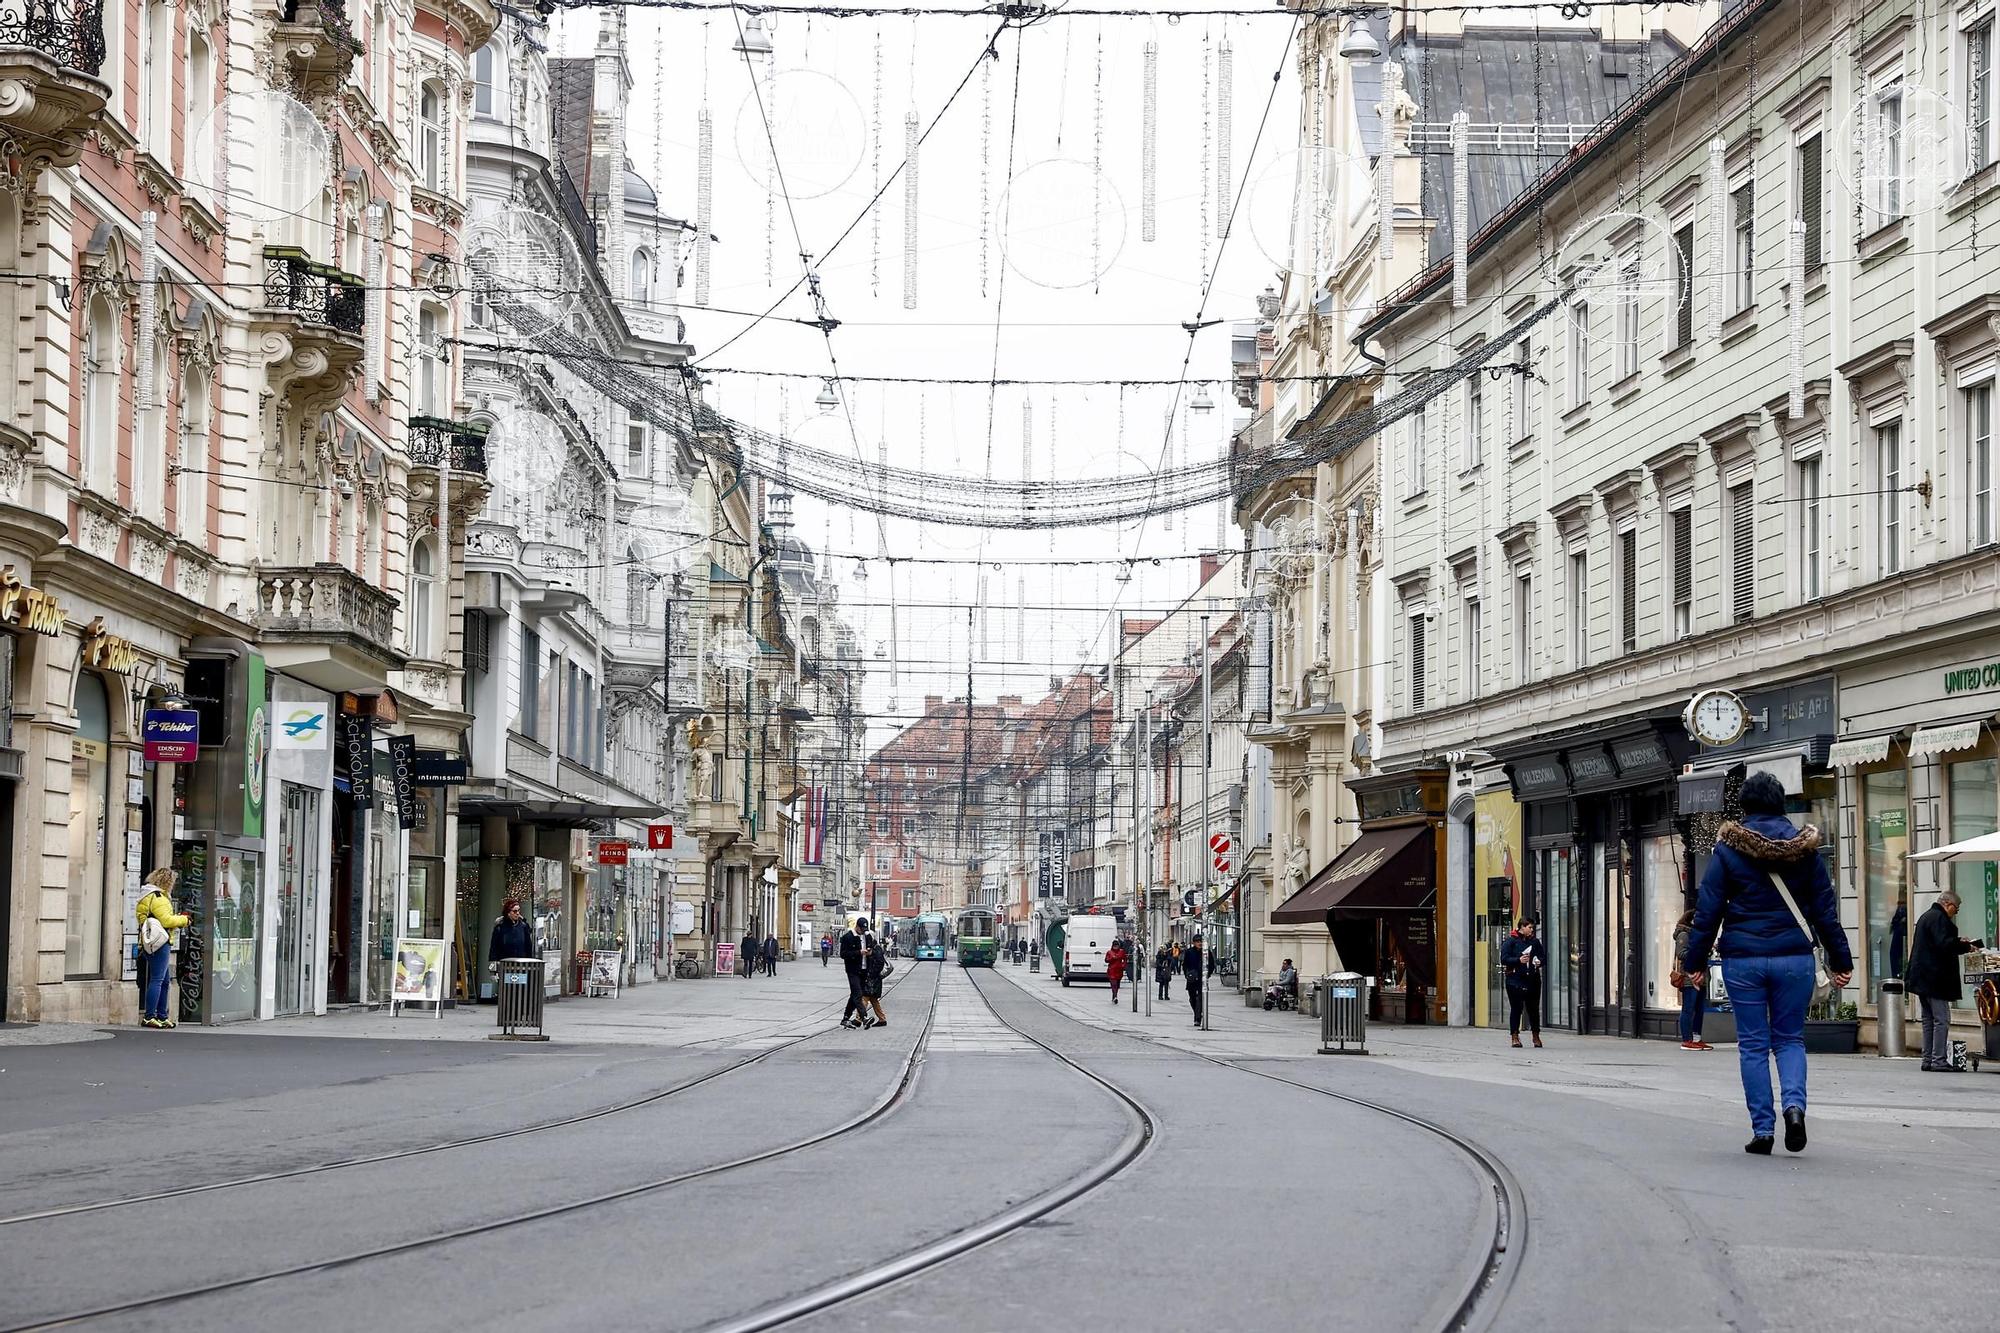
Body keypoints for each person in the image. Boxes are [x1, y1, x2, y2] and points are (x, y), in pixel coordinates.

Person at [1682, 771, 1853, 1155]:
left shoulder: (1727, 851)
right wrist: (1842, 960)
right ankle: (1794, 1108)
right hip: (1794, 958)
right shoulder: (1805, 850)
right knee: (1790, 1040)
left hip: (1744, 959)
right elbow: (1825, 912)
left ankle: (1763, 1131)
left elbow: (1708, 912)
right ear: (1780, 802)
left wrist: (1694, 961)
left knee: (1754, 1045)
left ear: (1744, 806)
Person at [1907, 887, 1983, 1072]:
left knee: (1928, 1019)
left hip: (1922, 978)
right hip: (1935, 978)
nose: (1956, 913)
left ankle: (1928, 1059)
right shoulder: (1940, 919)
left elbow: (1937, 942)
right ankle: (1939, 1060)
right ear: (1947, 904)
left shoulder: (1927, 916)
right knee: (1941, 1019)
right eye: (1956, 908)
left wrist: (1958, 941)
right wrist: (1965, 945)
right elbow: (1944, 945)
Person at [133, 868, 189, 1028]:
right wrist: (183, 920)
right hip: (160, 942)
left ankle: (162, 1016)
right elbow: (166, 920)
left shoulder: (146, 894)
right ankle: (150, 1016)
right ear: (167, 882)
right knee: (158, 980)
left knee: (164, 981)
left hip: (149, 941)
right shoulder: (158, 897)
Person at [1671, 910, 1714, 1052]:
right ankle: (1686, 1039)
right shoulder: (1684, 934)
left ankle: (1696, 1038)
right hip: (1689, 976)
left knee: (1700, 1009)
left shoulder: (1698, 935)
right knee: (1688, 1009)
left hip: (1701, 976)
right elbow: (1681, 953)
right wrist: (1699, 952)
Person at [1500, 919, 1546, 1049]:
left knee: (1533, 1009)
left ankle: (1536, 1035)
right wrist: (1518, 960)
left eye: (1532, 927)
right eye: (1530, 927)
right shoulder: (1511, 941)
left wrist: (1539, 962)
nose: (1532, 930)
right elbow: (1504, 959)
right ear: (1522, 927)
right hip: (1515, 980)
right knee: (1516, 1008)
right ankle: (1514, 1035)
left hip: (1532, 979)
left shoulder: (1535, 942)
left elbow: (1543, 957)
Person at [840, 918, 870, 1028]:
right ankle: (864, 1017)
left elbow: (872, 947)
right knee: (858, 994)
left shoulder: (867, 936)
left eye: (864, 929)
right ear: (857, 927)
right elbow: (843, 954)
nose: (863, 931)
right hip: (852, 970)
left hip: (864, 969)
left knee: (854, 994)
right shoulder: (848, 937)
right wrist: (859, 952)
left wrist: (870, 952)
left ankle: (846, 1018)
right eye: (861, 929)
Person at [860, 921, 889, 1028]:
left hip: (873, 979)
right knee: (873, 999)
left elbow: (879, 964)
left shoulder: (876, 949)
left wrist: (870, 974)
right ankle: (882, 1019)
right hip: (873, 978)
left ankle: (859, 1018)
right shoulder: (873, 948)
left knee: (865, 997)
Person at [1183, 933, 1205, 1026]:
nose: (1199, 943)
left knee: (1200, 998)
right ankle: (1198, 1012)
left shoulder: (1206, 952)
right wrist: (1187, 974)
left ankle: (1197, 1018)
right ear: (1194, 943)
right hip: (1191, 979)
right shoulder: (1189, 952)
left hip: (1201, 979)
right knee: (1192, 999)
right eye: (1197, 942)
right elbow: (1185, 964)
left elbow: (1211, 964)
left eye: (1200, 941)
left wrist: (1207, 975)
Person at [1106, 939, 1128, 1003]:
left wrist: (1123, 965)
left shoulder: (1121, 951)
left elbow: (1125, 959)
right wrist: (1111, 958)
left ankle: (1114, 996)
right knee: (1114, 984)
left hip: (1119, 970)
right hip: (1112, 970)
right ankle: (1115, 997)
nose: (1116, 947)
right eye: (1114, 946)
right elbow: (1106, 960)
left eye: (1117, 946)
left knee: (1117, 985)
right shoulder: (1109, 952)